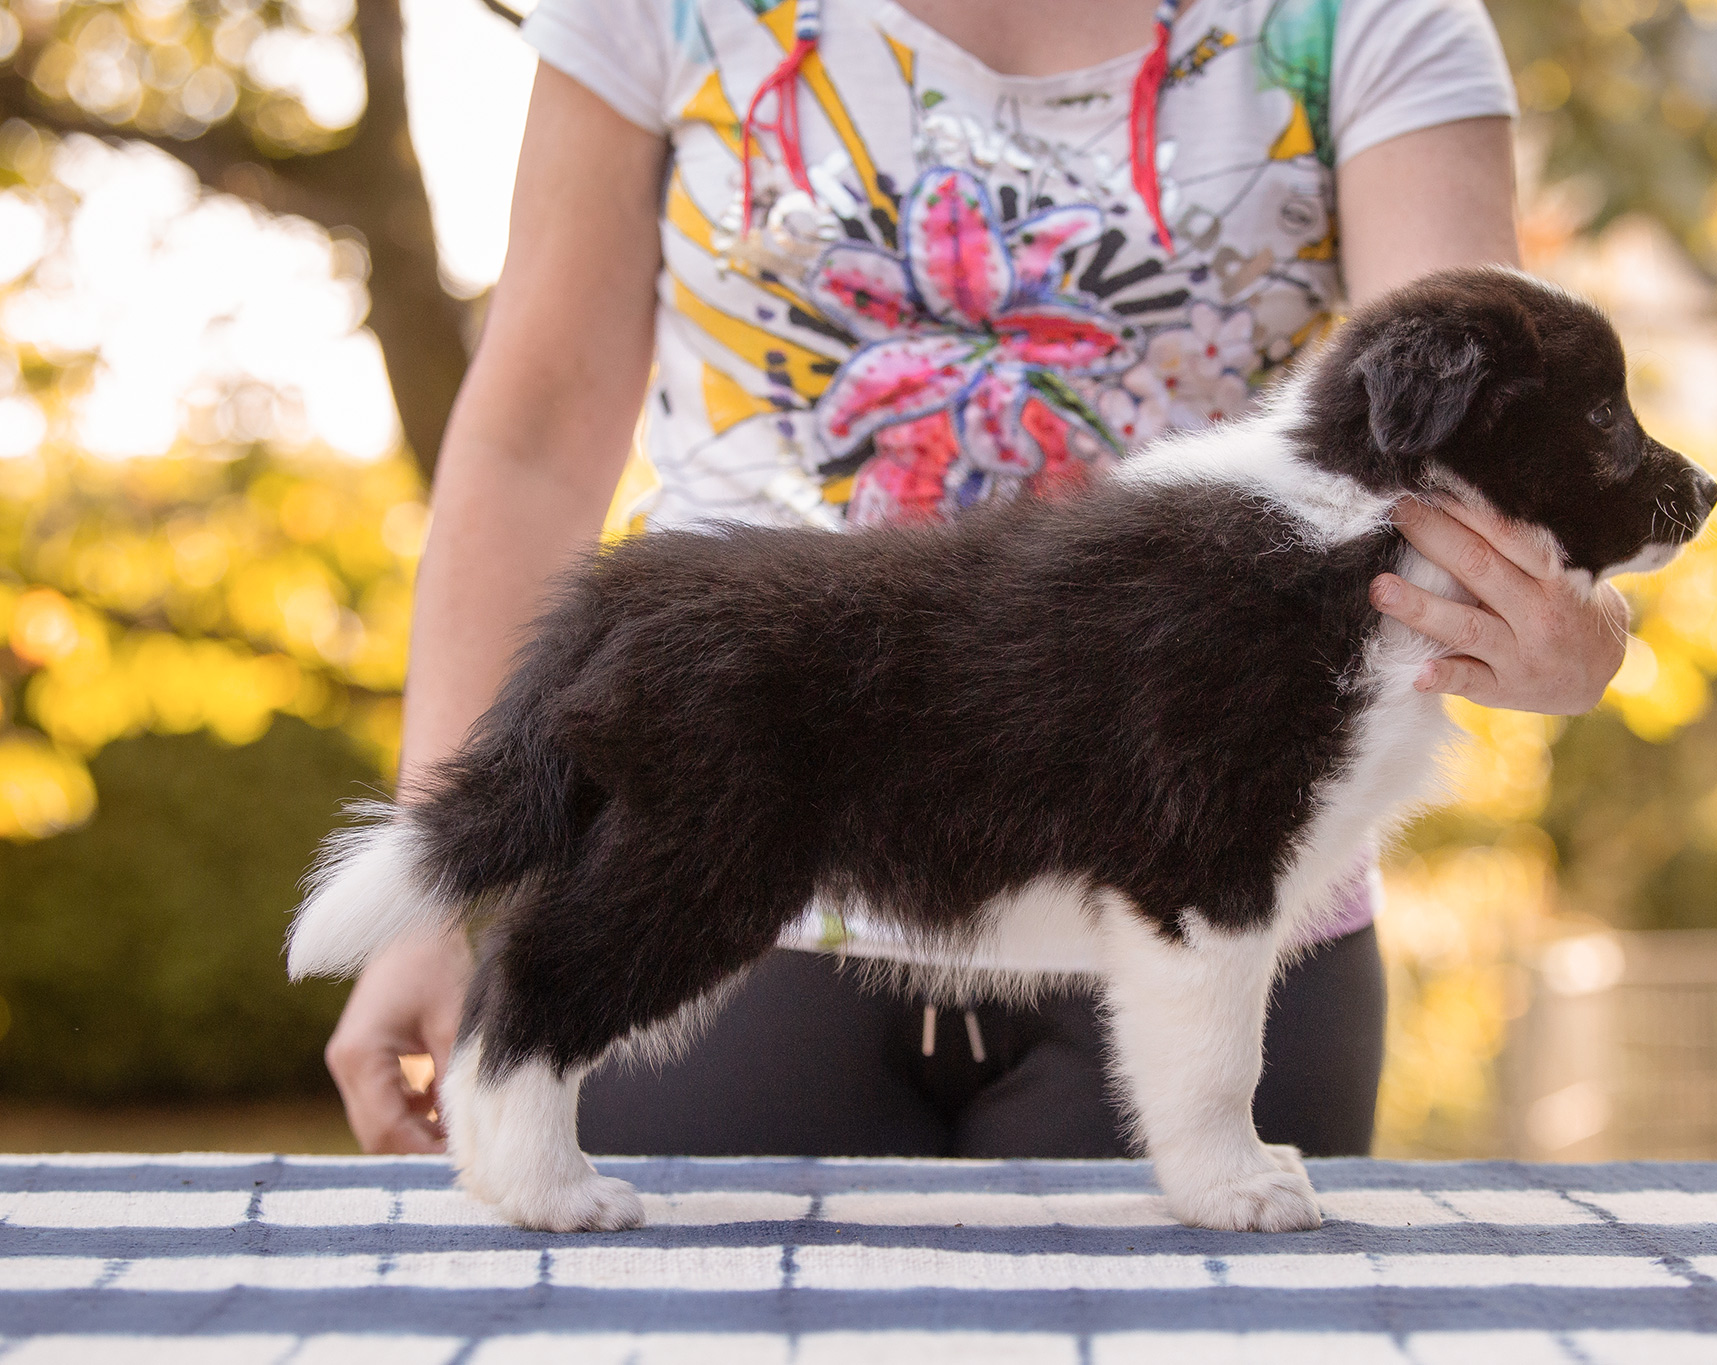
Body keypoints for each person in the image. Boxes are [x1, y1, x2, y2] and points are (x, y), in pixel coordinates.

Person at [323, 0, 1629, 1159]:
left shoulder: (1366, 17)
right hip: (766, 862)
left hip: (1220, 890)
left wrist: (1569, 622)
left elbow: (1466, 426)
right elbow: (533, 444)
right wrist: (440, 895)